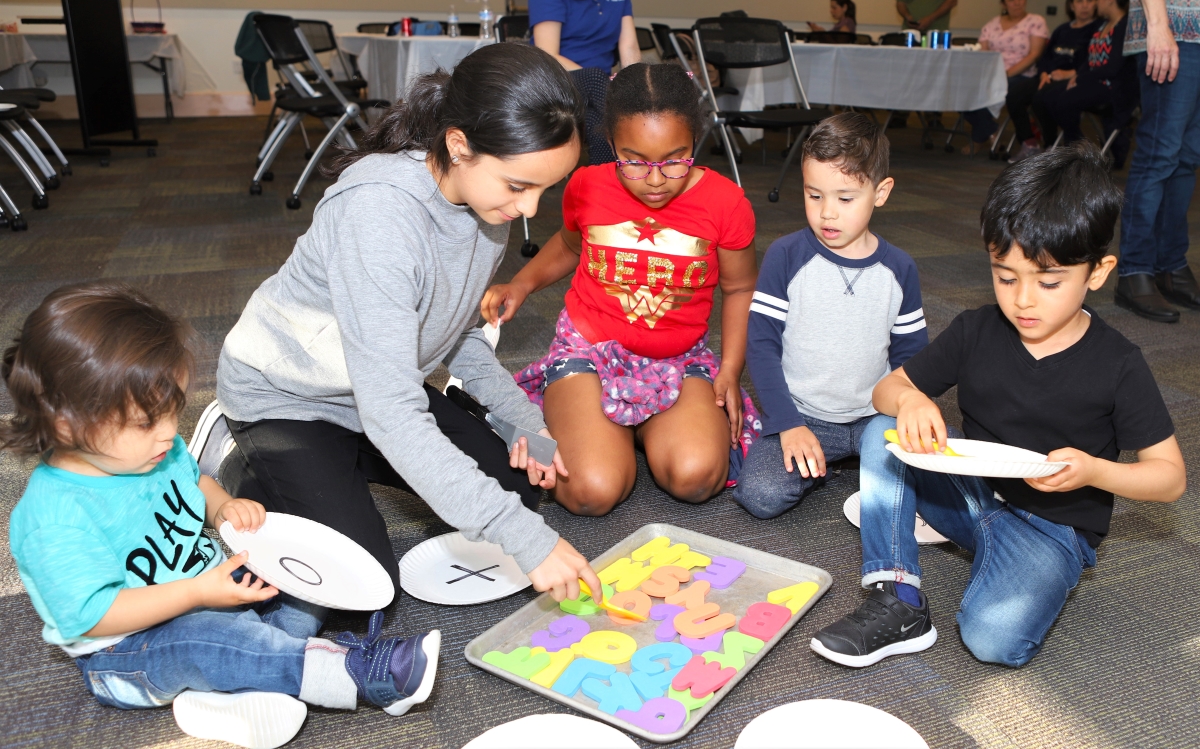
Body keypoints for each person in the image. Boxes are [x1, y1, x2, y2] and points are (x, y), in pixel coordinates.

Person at [216, 43, 605, 614]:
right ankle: (247, 464)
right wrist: (527, 542)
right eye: (519, 186)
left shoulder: (485, 203)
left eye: (546, 188)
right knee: (363, 583)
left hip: (375, 388)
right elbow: (395, 411)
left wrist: (526, 422)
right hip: (290, 398)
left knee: (519, 488)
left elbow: (458, 333)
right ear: (459, 145)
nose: (529, 210)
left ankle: (338, 470)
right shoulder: (379, 214)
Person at [4, 283, 441, 735]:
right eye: (146, 422)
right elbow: (95, 616)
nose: (168, 432)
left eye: (173, 411)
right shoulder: (54, 518)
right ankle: (359, 674)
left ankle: (244, 679)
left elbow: (195, 481)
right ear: (66, 425)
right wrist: (196, 594)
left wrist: (222, 508)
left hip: (211, 591)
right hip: (128, 653)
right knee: (205, 642)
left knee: (302, 572)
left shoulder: (152, 451)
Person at [811, 145, 1185, 670]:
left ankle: (905, 513)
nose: (1023, 299)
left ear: (1098, 273)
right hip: (973, 495)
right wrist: (912, 398)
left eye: (1048, 282)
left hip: (1051, 530)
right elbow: (887, 389)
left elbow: (1169, 479)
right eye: (1006, 276)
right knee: (882, 432)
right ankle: (898, 596)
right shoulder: (977, 329)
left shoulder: (1119, 364)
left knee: (992, 640)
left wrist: (1095, 471)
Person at [482, 63, 761, 516]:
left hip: (678, 358)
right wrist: (522, 284)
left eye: (675, 158)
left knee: (695, 477)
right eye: (635, 160)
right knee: (591, 491)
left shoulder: (725, 202)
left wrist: (730, 369)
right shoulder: (587, 186)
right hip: (589, 351)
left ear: (695, 141)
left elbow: (741, 288)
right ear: (611, 144)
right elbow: (571, 244)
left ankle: (637, 429)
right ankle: (602, 427)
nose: (655, 179)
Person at [733, 114, 927, 520]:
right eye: (814, 195)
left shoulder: (900, 268)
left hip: (877, 417)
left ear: (880, 192)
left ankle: (855, 462)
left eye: (845, 198)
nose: (827, 214)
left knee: (946, 466)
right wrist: (788, 423)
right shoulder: (785, 256)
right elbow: (762, 346)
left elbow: (911, 354)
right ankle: (835, 464)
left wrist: (910, 406)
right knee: (760, 494)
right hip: (804, 416)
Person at [1115, 0, 1200, 323]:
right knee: (1159, 154)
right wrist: (1159, 26)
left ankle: (1170, 264)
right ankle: (1134, 270)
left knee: (1187, 157)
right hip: (1172, 31)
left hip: (1197, 34)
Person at [530, 0, 640, 165]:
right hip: (558, 81)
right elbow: (547, 54)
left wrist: (636, 86)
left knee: (597, 115)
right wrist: (601, 83)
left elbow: (629, 48)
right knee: (595, 80)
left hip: (600, 90)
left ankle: (604, 176)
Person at [1033, 0, 1134, 163]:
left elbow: (1112, 68)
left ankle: (1078, 151)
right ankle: (1077, 147)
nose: (1096, 3)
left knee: (1063, 102)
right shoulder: (1104, 24)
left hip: (1111, 87)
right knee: (1048, 97)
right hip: (1093, 81)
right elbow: (1090, 58)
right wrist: (1079, 76)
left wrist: (1080, 78)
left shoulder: (1123, 27)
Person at [962, 0, 1049, 158]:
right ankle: (991, 132)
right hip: (992, 75)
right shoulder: (992, 25)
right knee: (962, 88)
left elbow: (1034, 55)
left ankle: (980, 137)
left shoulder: (1035, 21)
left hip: (1022, 76)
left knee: (1004, 89)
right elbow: (982, 54)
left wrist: (1006, 74)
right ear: (1003, 3)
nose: (1017, 2)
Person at [1038, 0, 1101, 90]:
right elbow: (1046, 57)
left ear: (1096, 3)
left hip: (1075, 79)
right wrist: (1043, 74)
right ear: (1072, 6)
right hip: (1048, 77)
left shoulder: (1100, 29)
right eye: (1080, 0)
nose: (1085, 5)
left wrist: (1069, 74)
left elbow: (1095, 63)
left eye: (1089, 0)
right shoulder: (1061, 30)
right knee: (1017, 93)